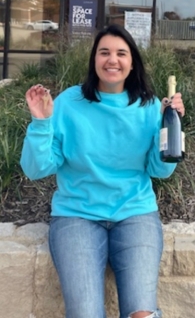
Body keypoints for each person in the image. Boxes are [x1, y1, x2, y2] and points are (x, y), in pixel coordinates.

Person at [21, 24, 184, 318]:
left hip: (135, 213)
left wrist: (167, 128)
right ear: (94, 59)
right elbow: (36, 168)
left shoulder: (148, 106)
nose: (112, 60)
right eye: (104, 52)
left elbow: (160, 171)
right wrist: (41, 123)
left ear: (132, 62)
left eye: (121, 53)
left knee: (142, 315)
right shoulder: (69, 103)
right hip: (77, 216)